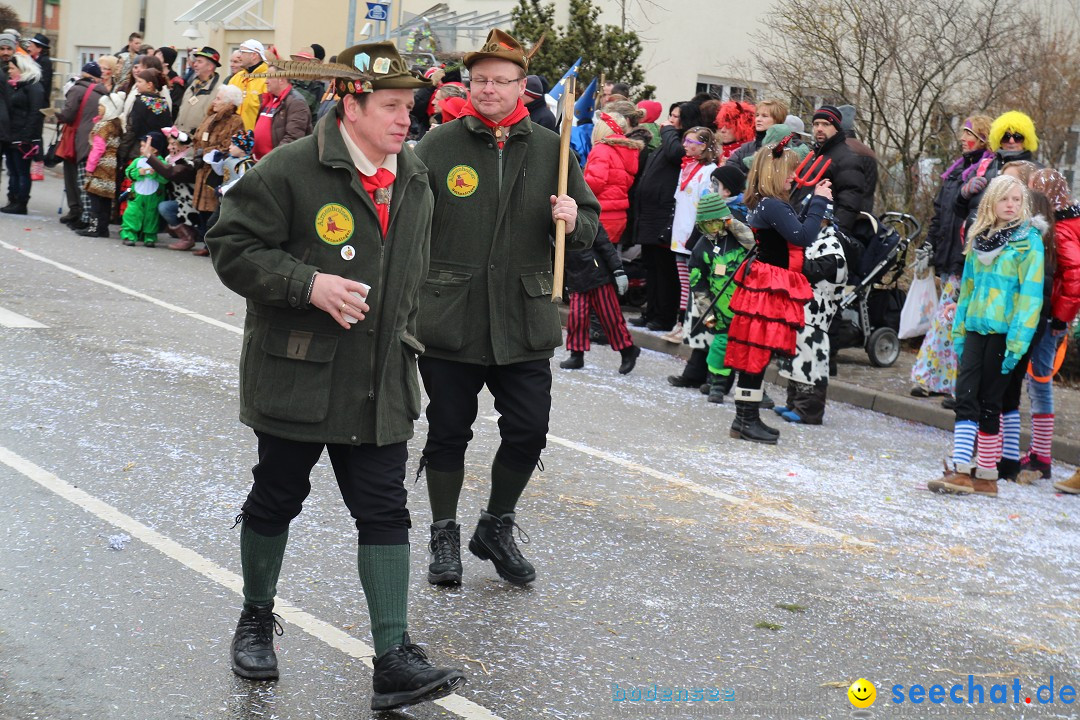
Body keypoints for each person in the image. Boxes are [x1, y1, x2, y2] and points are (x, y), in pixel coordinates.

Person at [204, 41, 466, 711]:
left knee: (384, 510)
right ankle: (257, 616)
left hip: (381, 377)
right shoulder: (290, 169)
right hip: (298, 373)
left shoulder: (412, 175)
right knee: (277, 496)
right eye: (391, 106)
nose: (406, 119)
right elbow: (230, 247)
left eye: (411, 106)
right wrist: (308, 283)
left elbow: (412, 274)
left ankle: (392, 657)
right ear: (351, 105)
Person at [414, 29, 600, 587]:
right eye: (480, 80)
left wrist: (572, 216)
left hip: (523, 317)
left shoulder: (553, 150)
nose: (488, 89)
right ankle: (444, 530)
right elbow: (405, 225)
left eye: (500, 81)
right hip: (451, 316)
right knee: (448, 429)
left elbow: (589, 228)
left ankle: (496, 524)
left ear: (523, 87)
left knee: (529, 429)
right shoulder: (438, 146)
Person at [928, 174, 1044, 498]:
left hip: (1005, 332)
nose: (1011, 205)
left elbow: (1030, 297)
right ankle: (963, 468)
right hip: (977, 328)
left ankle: (987, 475)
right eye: (1005, 199)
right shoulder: (980, 237)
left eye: (1017, 200)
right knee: (965, 395)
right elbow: (967, 288)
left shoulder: (1028, 240)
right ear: (992, 202)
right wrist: (960, 328)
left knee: (990, 401)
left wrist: (1018, 342)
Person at [725, 139, 832, 444]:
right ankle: (745, 419)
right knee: (756, 353)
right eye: (789, 171)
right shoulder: (772, 204)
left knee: (755, 352)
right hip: (769, 285)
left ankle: (745, 418)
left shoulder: (766, 201)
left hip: (765, 282)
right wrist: (821, 201)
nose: (793, 176)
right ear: (774, 172)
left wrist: (811, 200)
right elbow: (803, 235)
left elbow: (794, 227)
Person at [911, 115, 994, 403]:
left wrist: (960, 257)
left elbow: (974, 220)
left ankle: (937, 379)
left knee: (949, 322)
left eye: (969, 134)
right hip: (948, 258)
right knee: (946, 322)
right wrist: (929, 246)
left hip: (964, 261)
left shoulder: (986, 173)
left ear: (983, 137)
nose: (963, 139)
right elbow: (940, 216)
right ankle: (940, 379)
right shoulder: (956, 172)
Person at [1017, 170, 1080, 488]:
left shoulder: (1062, 230)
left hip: (1051, 317)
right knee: (1037, 381)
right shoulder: (1069, 223)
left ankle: (1041, 457)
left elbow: (1074, 278)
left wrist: (1059, 318)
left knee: (1039, 382)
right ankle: (1038, 454)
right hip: (1052, 315)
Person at [774, 216, 849, 424]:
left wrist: (792, 259)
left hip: (816, 312)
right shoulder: (813, 240)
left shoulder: (831, 245)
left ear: (824, 220)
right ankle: (794, 402)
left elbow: (813, 271)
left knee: (810, 358)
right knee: (796, 356)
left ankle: (809, 410)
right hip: (802, 308)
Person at [685, 189, 753, 404]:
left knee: (750, 349)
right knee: (720, 346)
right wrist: (708, 314)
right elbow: (698, 284)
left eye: (717, 222)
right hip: (721, 309)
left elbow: (753, 242)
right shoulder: (701, 248)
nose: (714, 228)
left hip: (748, 306)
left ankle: (752, 385)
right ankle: (717, 383)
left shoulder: (739, 238)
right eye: (708, 224)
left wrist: (731, 222)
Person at [559, 225, 640, 373]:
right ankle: (576, 354)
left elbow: (606, 246)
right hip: (575, 278)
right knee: (577, 318)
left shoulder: (589, 219)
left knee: (610, 317)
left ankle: (627, 350)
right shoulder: (555, 223)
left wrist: (618, 270)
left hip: (598, 276)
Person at [665, 126, 719, 343]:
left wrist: (697, 233)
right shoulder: (686, 166)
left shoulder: (709, 171)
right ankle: (680, 323)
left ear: (704, 146)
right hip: (680, 234)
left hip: (694, 236)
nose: (685, 145)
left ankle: (689, 325)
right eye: (685, 140)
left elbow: (706, 206)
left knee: (694, 283)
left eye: (691, 142)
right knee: (683, 282)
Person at [789, 105, 872, 236]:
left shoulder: (847, 159)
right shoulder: (815, 155)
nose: (819, 129)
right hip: (801, 228)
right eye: (816, 124)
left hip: (821, 234)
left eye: (826, 124)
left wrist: (835, 235)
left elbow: (849, 204)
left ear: (837, 128)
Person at [190, 84, 245, 252]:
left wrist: (205, 153)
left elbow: (227, 145)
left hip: (216, 169)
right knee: (202, 207)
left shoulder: (235, 121)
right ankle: (205, 240)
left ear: (229, 103)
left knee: (213, 207)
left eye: (218, 98)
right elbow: (198, 137)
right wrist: (197, 152)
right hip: (202, 167)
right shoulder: (211, 117)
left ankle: (211, 244)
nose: (214, 101)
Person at [56, 62, 106, 230]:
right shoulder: (103, 92)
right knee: (87, 179)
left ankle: (78, 212)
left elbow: (68, 115)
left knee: (74, 176)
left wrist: (56, 114)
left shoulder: (76, 89)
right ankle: (88, 215)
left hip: (77, 138)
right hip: (95, 138)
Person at [584, 107, 642, 245]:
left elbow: (595, 183)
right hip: (619, 215)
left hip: (601, 215)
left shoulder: (602, 149)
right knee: (609, 258)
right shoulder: (628, 150)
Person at [2, 53, 45, 215]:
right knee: (12, 170)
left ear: (21, 68)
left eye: (12, 68)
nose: (10, 71)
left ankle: (21, 202)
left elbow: (35, 113)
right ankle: (12, 199)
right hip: (12, 134)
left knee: (21, 171)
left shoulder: (34, 86)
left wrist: (27, 136)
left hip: (24, 136)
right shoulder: (16, 86)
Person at [80, 92, 126, 238]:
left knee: (94, 195)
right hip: (111, 165)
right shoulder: (116, 125)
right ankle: (103, 228)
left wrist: (89, 168)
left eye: (102, 105)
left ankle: (94, 227)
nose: (99, 108)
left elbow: (98, 148)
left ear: (110, 108)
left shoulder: (103, 126)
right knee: (105, 197)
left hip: (100, 164)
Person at [146, 126, 200, 249]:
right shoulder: (170, 160)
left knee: (164, 207)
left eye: (173, 144)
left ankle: (188, 237)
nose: (169, 147)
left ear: (185, 147)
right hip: (179, 201)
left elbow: (171, 173)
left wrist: (149, 157)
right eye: (169, 144)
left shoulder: (188, 163)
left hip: (191, 204)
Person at [252, 64, 312, 160]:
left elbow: (293, 138)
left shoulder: (296, 102)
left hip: (276, 164)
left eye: (270, 77)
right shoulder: (267, 99)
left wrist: (272, 159)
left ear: (282, 80)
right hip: (259, 162)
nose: (266, 82)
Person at [120, 131, 169, 247]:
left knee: (151, 215)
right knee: (132, 213)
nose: (141, 149)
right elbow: (128, 172)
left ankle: (150, 236)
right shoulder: (137, 161)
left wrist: (155, 173)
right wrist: (138, 172)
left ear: (155, 149)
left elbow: (165, 178)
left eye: (144, 146)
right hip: (136, 194)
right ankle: (128, 234)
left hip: (154, 195)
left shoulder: (161, 163)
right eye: (141, 146)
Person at [725, 98, 788, 173]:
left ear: (777, 120)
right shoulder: (746, 148)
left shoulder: (785, 148)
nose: (758, 119)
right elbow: (729, 171)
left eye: (764, 116)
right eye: (757, 115)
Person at [175, 47, 222, 135]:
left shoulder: (219, 90)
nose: (195, 64)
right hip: (180, 138)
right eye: (195, 61)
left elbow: (214, 121)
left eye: (199, 62)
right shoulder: (192, 85)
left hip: (197, 142)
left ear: (210, 66)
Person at [228, 39, 269, 130]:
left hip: (255, 139)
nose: (239, 56)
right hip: (231, 137)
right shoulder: (236, 78)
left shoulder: (267, 79)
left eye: (242, 52)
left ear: (254, 55)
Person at [26, 33, 51, 102]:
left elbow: (43, 83)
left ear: (39, 49)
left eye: (31, 46)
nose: (28, 48)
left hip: (40, 100)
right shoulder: (31, 59)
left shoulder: (45, 62)